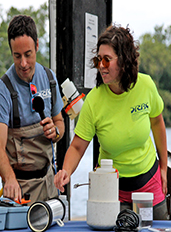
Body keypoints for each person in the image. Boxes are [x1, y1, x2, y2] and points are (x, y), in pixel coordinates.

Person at [54, 25, 169, 219]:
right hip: (111, 190)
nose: (101, 65)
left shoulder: (146, 85)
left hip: (150, 184)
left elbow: (158, 125)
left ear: (124, 60)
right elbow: (77, 147)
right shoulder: (94, 101)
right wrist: (65, 171)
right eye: (98, 59)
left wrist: (164, 169)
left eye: (107, 60)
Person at [0, 14, 65, 204]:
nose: (23, 63)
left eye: (28, 54)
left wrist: (54, 131)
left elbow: (60, 123)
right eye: (17, 56)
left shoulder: (49, 78)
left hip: (49, 184)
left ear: (37, 46)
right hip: (20, 190)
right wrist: (9, 179)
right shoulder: (3, 89)